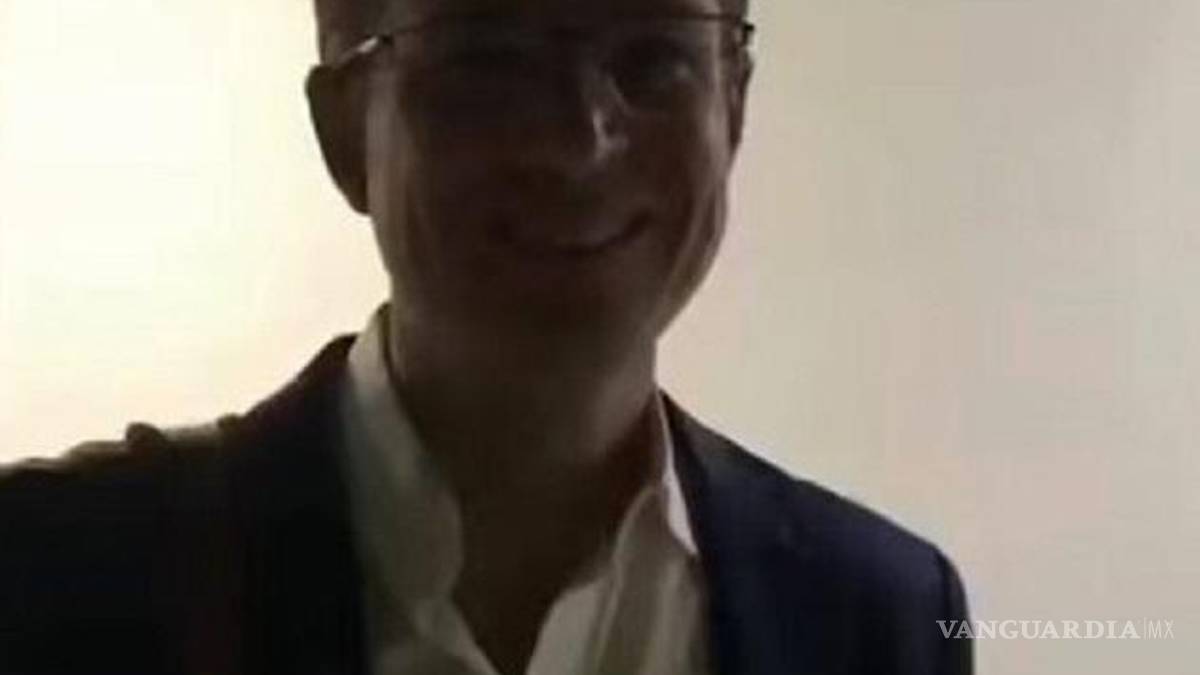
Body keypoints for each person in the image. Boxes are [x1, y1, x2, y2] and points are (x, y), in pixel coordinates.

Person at [0, 0, 973, 673]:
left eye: (654, 57)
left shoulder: (879, 620)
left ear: (734, 104)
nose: (578, 140)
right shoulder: (56, 574)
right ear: (345, 131)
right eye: (488, 58)